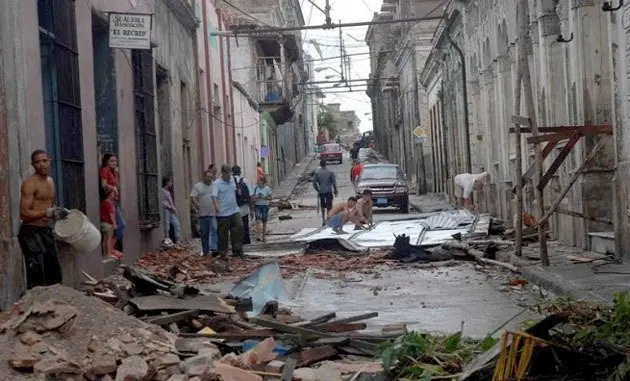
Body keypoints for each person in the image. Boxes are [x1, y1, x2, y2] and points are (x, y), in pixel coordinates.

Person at [18, 150, 68, 289]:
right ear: (33, 164)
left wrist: (58, 212)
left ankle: (53, 308)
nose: (42, 164)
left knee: (54, 274)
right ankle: (34, 307)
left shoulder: (51, 182)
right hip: (30, 232)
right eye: (37, 162)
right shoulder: (30, 184)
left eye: (44, 160)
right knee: (37, 275)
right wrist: (46, 212)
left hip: (46, 230)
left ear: (50, 161)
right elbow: (23, 213)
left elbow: (50, 205)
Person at [213, 164, 245, 258]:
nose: (229, 176)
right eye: (227, 174)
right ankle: (223, 253)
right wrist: (216, 207)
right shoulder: (217, 183)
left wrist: (239, 192)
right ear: (222, 173)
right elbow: (214, 197)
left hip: (234, 210)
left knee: (239, 226)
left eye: (230, 174)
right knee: (223, 234)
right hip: (222, 213)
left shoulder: (232, 180)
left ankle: (237, 249)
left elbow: (236, 190)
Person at [100, 153, 124, 251]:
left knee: (117, 227)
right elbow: (103, 185)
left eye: (115, 161)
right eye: (112, 161)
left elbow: (118, 186)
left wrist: (117, 174)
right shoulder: (105, 170)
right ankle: (111, 250)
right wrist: (112, 188)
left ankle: (112, 249)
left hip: (114, 202)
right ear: (106, 162)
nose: (114, 163)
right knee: (119, 226)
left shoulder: (113, 172)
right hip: (108, 202)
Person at [191, 169, 218, 256]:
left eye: (211, 177)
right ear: (204, 177)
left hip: (213, 213)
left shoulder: (215, 185)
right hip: (202, 214)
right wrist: (197, 204)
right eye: (208, 177)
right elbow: (193, 197)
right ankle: (205, 250)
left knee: (215, 229)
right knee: (204, 233)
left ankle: (214, 249)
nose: (210, 179)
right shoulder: (198, 186)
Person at [313, 160, 338, 226]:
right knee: (329, 206)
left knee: (323, 206)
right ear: (326, 164)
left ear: (320, 165)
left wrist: (318, 190)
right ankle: (329, 219)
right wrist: (335, 191)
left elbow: (314, 183)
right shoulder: (330, 172)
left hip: (321, 192)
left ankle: (323, 220)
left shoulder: (317, 173)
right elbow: (334, 183)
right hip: (328, 191)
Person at [100, 187, 123, 260]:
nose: (114, 194)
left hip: (103, 223)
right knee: (108, 239)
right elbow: (111, 214)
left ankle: (105, 254)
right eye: (113, 193)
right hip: (108, 224)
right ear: (110, 194)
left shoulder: (104, 202)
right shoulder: (109, 202)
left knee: (104, 239)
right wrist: (114, 224)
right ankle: (108, 254)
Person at [232, 165, 252, 245]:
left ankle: (238, 241)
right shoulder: (245, 180)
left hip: (234, 207)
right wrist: (251, 207)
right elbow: (250, 194)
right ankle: (246, 240)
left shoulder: (230, 181)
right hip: (244, 206)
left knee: (235, 226)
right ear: (240, 172)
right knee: (245, 223)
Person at [252, 176, 273, 242]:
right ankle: (258, 235)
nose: (257, 182)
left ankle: (264, 236)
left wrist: (264, 197)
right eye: (257, 180)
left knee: (264, 221)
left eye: (258, 180)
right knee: (258, 220)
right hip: (257, 206)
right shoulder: (255, 188)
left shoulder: (267, 188)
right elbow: (252, 198)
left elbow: (270, 198)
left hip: (265, 206)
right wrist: (256, 197)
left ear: (262, 181)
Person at [162, 177, 181, 244]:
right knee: (167, 225)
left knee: (177, 224)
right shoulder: (163, 191)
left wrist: (173, 208)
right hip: (166, 210)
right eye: (170, 182)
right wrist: (170, 207)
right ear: (167, 183)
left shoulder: (168, 191)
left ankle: (177, 240)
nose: (171, 183)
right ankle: (167, 240)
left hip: (171, 211)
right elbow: (163, 202)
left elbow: (170, 201)